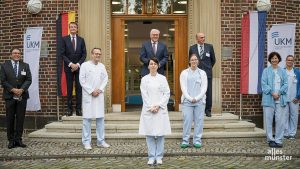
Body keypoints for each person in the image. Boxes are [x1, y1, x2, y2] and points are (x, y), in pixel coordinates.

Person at [139, 58, 171, 165]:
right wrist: (150, 107)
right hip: (149, 110)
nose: (153, 65)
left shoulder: (162, 78)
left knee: (160, 134)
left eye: (155, 64)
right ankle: (151, 156)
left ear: (158, 66)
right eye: (151, 64)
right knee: (149, 134)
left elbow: (167, 93)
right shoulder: (144, 79)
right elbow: (144, 94)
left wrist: (159, 105)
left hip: (160, 109)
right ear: (148, 66)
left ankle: (159, 156)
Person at [0, 48, 32, 149]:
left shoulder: (25, 65)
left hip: (22, 96)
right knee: (10, 118)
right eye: (14, 53)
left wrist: (21, 90)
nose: (17, 55)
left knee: (20, 118)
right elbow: (3, 81)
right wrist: (13, 89)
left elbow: (28, 79)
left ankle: (18, 139)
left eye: (18, 53)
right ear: (11, 55)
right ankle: (11, 140)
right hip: (10, 96)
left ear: (20, 55)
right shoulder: (4, 66)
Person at [79, 48, 110, 150]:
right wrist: (91, 90)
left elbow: (105, 78)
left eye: (99, 54)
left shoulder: (102, 66)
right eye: (96, 54)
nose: (98, 55)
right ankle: (86, 142)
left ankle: (101, 141)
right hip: (89, 96)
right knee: (87, 120)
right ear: (92, 54)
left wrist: (100, 90)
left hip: (99, 96)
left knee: (100, 119)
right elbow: (82, 80)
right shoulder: (84, 65)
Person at [179, 54, 207, 149]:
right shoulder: (184, 73)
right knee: (187, 121)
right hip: (187, 101)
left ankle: (197, 140)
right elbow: (183, 88)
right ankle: (185, 140)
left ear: (198, 61)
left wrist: (197, 98)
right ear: (189, 61)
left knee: (199, 121)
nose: (194, 61)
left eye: (195, 59)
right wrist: (190, 98)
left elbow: (204, 88)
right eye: (192, 60)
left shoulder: (202, 73)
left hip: (199, 101)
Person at [261, 52, 288, 148]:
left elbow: (286, 84)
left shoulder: (283, 71)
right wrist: (272, 93)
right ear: (270, 60)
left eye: (276, 58)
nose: (274, 60)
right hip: (269, 98)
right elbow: (263, 84)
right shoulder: (266, 71)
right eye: (272, 58)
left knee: (280, 120)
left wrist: (279, 93)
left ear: (279, 59)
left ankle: (278, 139)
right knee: (268, 120)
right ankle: (270, 139)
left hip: (280, 98)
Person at [61, 22, 87, 116]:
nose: (73, 28)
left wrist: (78, 64)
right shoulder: (64, 39)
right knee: (69, 88)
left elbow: (84, 54)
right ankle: (69, 109)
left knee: (79, 88)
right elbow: (62, 54)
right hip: (69, 68)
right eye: (71, 27)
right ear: (69, 28)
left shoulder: (81, 40)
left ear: (77, 29)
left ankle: (79, 109)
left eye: (74, 27)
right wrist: (71, 64)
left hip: (79, 68)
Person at [189, 32, 216, 117]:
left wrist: (207, 68)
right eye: (201, 37)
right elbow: (190, 60)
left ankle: (208, 110)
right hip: (195, 73)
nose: (203, 39)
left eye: (204, 37)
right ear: (197, 39)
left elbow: (213, 60)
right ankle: (196, 109)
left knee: (208, 92)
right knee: (196, 91)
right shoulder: (192, 48)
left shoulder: (209, 47)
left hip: (207, 73)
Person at [283, 55, 300, 140]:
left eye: (291, 60)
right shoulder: (282, 72)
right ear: (286, 61)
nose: (290, 61)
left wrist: (298, 96)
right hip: (284, 97)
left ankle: (292, 133)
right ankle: (285, 133)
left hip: (294, 98)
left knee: (294, 115)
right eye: (288, 60)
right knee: (284, 115)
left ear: (293, 62)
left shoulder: (297, 72)